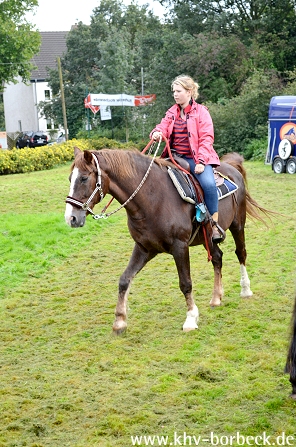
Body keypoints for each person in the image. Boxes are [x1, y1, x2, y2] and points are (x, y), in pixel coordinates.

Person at [150, 74, 225, 243]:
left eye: (178, 91)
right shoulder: (172, 112)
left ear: (189, 92)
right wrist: (157, 132)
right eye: (173, 91)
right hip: (174, 157)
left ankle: (214, 225)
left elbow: (207, 138)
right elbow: (164, 125)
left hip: (197, 158)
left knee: (208, 185)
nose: (175, 94)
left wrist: (201, 162)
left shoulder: (202, 112)